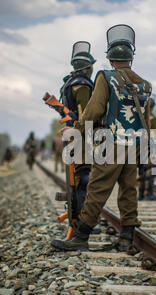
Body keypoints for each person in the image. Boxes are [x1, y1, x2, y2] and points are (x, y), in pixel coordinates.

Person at [51, 24, 151, 252]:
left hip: (112, 142)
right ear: (130, 58)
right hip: (136, 144)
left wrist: (77, 128)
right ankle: (127, 237)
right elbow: (148, 119)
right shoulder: (144, 84)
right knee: (128, 190)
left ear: (111, 58)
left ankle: (81, 236)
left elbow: (94, 110)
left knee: (97, 188)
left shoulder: (106, 78)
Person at [60, 40, 96, 222]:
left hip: (72, 135)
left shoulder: (68, 83)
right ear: (87, 68)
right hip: (80, 137)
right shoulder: (82, 85)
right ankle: (81, 221)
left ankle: (76, 219)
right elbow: (85, 114)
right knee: (84, 179)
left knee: (78, 179)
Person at [138, 94, 156, 201]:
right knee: (150, 171)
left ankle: (141, 194)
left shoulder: (139, 117)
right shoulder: (152, 119)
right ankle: (149, 194)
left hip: (140, 147)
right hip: (150, 147)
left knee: (142, 171)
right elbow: (155, 135)